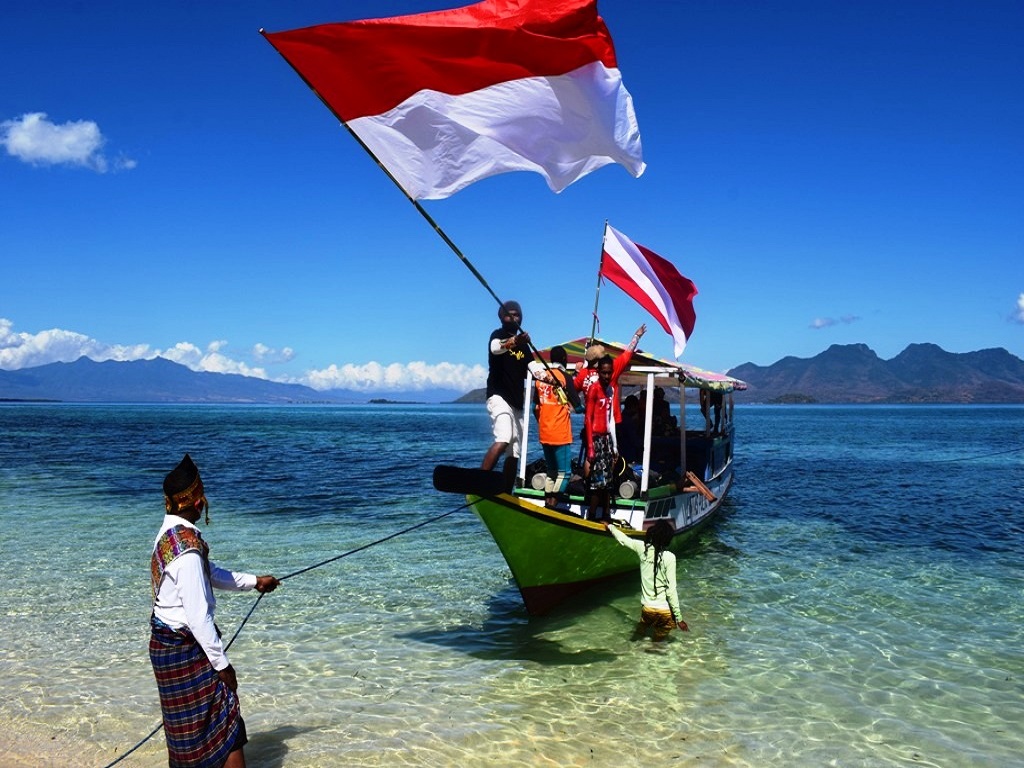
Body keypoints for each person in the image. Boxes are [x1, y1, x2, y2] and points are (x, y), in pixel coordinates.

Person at [150, 453, 280, 768]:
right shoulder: (187, 552)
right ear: (193, 502)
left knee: (188, 738)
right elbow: (198, 618)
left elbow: (211, 573)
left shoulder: (170, 536)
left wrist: (254, 582)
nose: (204, 502)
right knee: (227, 722)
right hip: (185, 650)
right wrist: (223, 666)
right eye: (201, 495)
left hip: (168, 647)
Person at [604, 518, 689, 641]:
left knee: (639, 635)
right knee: (656, 646)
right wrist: (679, 618)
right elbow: (671, 591)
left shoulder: (642, 548)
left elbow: (624, 539)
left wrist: (610, 526)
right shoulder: (670, 557)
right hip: (663, 611)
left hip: (647, 608)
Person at [482, 301, 533, 487]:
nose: (512, 318)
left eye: (516, 315)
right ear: (501, 317)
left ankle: (505, 492)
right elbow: (496, 348)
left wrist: (552, 377)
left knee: (515, 451)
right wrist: (514, 341)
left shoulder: (525, 346)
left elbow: (533, 367)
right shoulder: (498, 335)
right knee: (504, 437)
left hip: (517, 402)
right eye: (508, 315)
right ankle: (480, 481)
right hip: (498, 396)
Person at [529, 346, 577, 508]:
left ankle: (547, 504)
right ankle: (553, 505)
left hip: (545, 431)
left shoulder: (541, 378)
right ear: (564, 360)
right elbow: (578, 405)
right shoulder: (564, 377)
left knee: (551, 472)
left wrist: (542, 422)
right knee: (564, 473)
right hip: (560, 432)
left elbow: (534, 408)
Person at [584, 356, 618, 521]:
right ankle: (591, 515)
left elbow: (610, 418)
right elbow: (588, 418)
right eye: (603, 373)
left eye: (609, 373)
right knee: (599, 481)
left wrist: (614, 446)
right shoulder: (594, 389)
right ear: (598, 372)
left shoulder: (610, 390)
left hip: (606, 439)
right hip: (596, 438)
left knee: (608, 480)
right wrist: (590, 446)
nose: (606, 376)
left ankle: (606, 514)